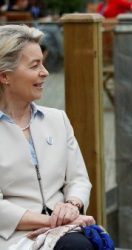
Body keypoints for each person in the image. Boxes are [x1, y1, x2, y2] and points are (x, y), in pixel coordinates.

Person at [0, 25, 95, 249]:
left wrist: (72, 205)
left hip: (66, 232)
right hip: (12, 238)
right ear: (5, 75)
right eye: (35, 66)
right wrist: (54, 221)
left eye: (43, 63)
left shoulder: (57, 120)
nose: (45, 72)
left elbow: (79, 180)